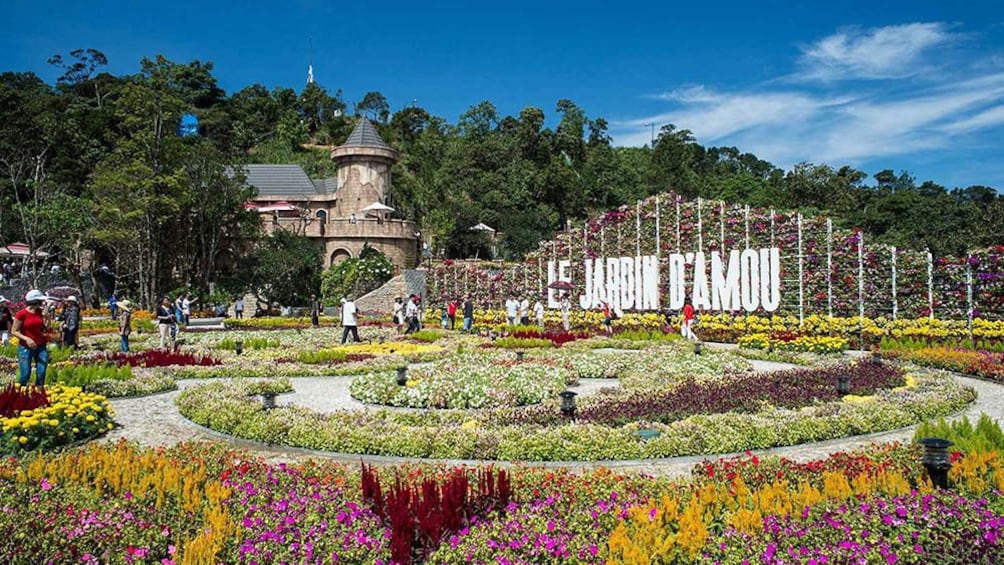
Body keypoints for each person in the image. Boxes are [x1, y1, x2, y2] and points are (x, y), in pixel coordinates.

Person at [11, 289, 53, 386]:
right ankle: (18, 393)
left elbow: (46, 328)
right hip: (25, 347)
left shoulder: (40, 312)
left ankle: (38, 394)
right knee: (25, 374)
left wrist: (47, 318)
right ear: (34, 302)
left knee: (41, 373)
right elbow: (14, 331)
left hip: (41, 345)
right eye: (40, 301)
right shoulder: (21, 314)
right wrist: (27, 339)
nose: (42, 303)